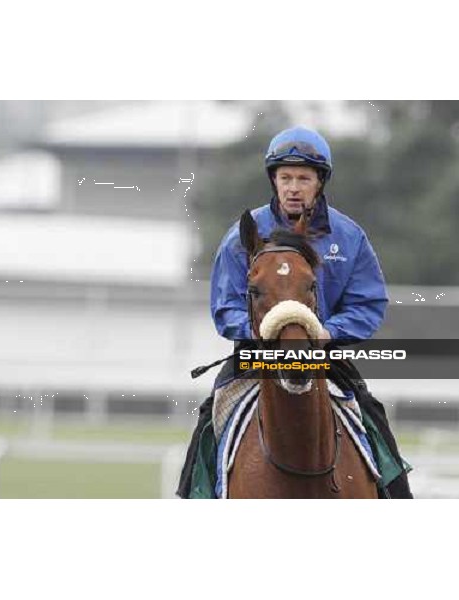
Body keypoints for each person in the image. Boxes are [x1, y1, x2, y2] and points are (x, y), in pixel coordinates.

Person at [177, 125, 413, 499]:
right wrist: (258, 333)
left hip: (322, 356)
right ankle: (190, 496)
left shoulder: (349, 237)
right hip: (258, 357)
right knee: (210, 419)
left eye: (303, 178)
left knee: (373, 415)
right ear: (273, 180)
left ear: (320, 182)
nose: (293, 187)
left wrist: (328, 333)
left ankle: (399, 498)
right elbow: (226, 305)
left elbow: (368, 304)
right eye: (285, 177)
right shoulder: (242, 236)